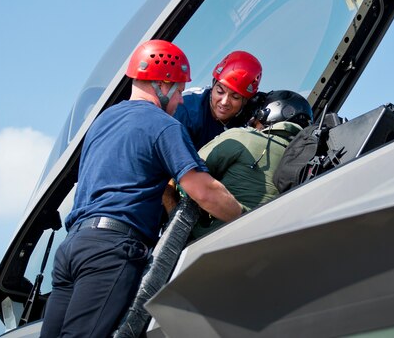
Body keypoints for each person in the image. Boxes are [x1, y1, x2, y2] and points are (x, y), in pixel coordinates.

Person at [39, 39, 244, 338]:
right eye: (180, 91)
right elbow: (205, 192)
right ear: (163, 84)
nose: (182, 101)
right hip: (111, 251)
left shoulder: (101, 122)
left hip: (72, 249)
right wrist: (244, 216)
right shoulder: (163, 125)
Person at [189, 90, 313, 240]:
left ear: (268, 113)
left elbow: (187, 174)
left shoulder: (242, 138)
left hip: (203, 241)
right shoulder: (306, 162)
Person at [173, 50, 262, 150]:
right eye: (220, 91)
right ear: (213, 84)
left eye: (235, 97)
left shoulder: (252, 115)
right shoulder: (186, 108)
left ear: (245, 101)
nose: (224, 102)